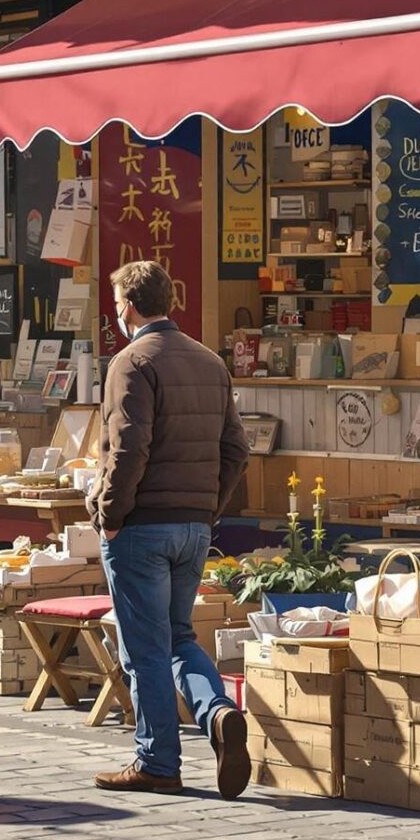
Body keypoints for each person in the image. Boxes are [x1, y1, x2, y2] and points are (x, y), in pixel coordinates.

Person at [85, 260, 252, 797]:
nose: (115, 314)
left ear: (128, 306)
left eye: (116, 304)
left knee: (146, 648)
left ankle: (158, 760)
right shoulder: (209, 361)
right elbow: (236, 450)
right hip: (194, 525)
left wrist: (110, 516)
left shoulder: (131, 362)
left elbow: (128, 449)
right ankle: (217, 712)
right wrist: (209, 508)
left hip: (142, 526)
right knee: (179, 636)